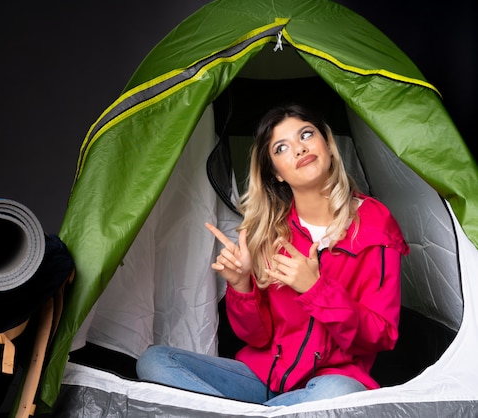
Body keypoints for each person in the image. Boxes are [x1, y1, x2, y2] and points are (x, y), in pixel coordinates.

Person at [135, 104, 409, 407]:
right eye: (282, 148)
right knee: (155, 361)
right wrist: (240, 285)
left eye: (307, 134)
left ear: (329, 146)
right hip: (262, 377)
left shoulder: (373, 222)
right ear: (276, 173)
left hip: (329, 382)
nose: (300, 148)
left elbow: (381, 336)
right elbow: (257, 338)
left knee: (341, 397)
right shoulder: (271, 232)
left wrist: (316, 289)